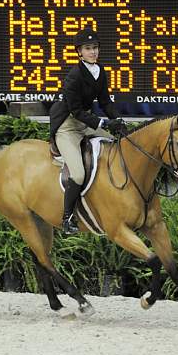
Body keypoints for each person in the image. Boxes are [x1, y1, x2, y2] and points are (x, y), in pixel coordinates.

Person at [49, 27, 127, 234]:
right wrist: (102, 124)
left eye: (95, 48)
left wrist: (117, 120)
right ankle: (67, 218)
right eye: (88, 48)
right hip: (67, 127)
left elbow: (105, 101)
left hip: (85, 124)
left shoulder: (100, 71)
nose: (93, 52)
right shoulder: (74, 76)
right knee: (78, 173)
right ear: (79, 52)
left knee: (121, 142)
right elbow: (75, 111)